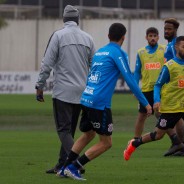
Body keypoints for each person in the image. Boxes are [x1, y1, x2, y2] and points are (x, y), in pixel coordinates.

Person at [57, 23, 152, 181]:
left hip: (87, 97)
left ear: (108, 36)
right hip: (99, 103)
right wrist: (146, 103)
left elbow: (90, 75)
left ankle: (64, 167)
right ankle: (74, 167)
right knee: (106, 143)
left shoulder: (100, 52)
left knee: (88, 134)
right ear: (123, 37)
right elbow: (130, 79)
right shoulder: (118, 53)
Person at [123, 36, 184, 161]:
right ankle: (134, 143)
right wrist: (157, 101)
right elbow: (157, 85)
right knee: (158, 135)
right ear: (176, 47)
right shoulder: (169, 66)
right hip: (171, 107)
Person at [35, 5, 95, 174]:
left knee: (63, 130)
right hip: (83, 91)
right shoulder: (88, 38)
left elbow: (47, 64)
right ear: (78, 19)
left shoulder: (58, 36)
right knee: (70, 131)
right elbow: (94, 65)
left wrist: (39, 86)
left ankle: (75, 161)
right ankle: (62, 164)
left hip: (63, 91)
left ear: (64, 19)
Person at [133, 27, 166, 139]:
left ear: (158, 37)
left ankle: (175, 139)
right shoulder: (141, 52)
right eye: (150, 36)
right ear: (146, 37)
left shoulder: (164, 50)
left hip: (161, 89)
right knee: (142, 116)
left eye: (154, 36)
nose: (152, 38)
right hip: (146, 89)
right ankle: (135, 140)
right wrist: (135, 87)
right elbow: (137, 72)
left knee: (162, 115)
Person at [163, 18, 184, 157]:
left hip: (173, 87)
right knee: (177, 117)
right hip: (171, 86)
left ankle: (178, 143)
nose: (166, 31)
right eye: (165, 29)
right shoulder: (170, 45)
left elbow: (178, 64)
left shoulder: (174, 45)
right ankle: (181, 146)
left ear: (175, 30)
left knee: (160, 113)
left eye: (169, 29)